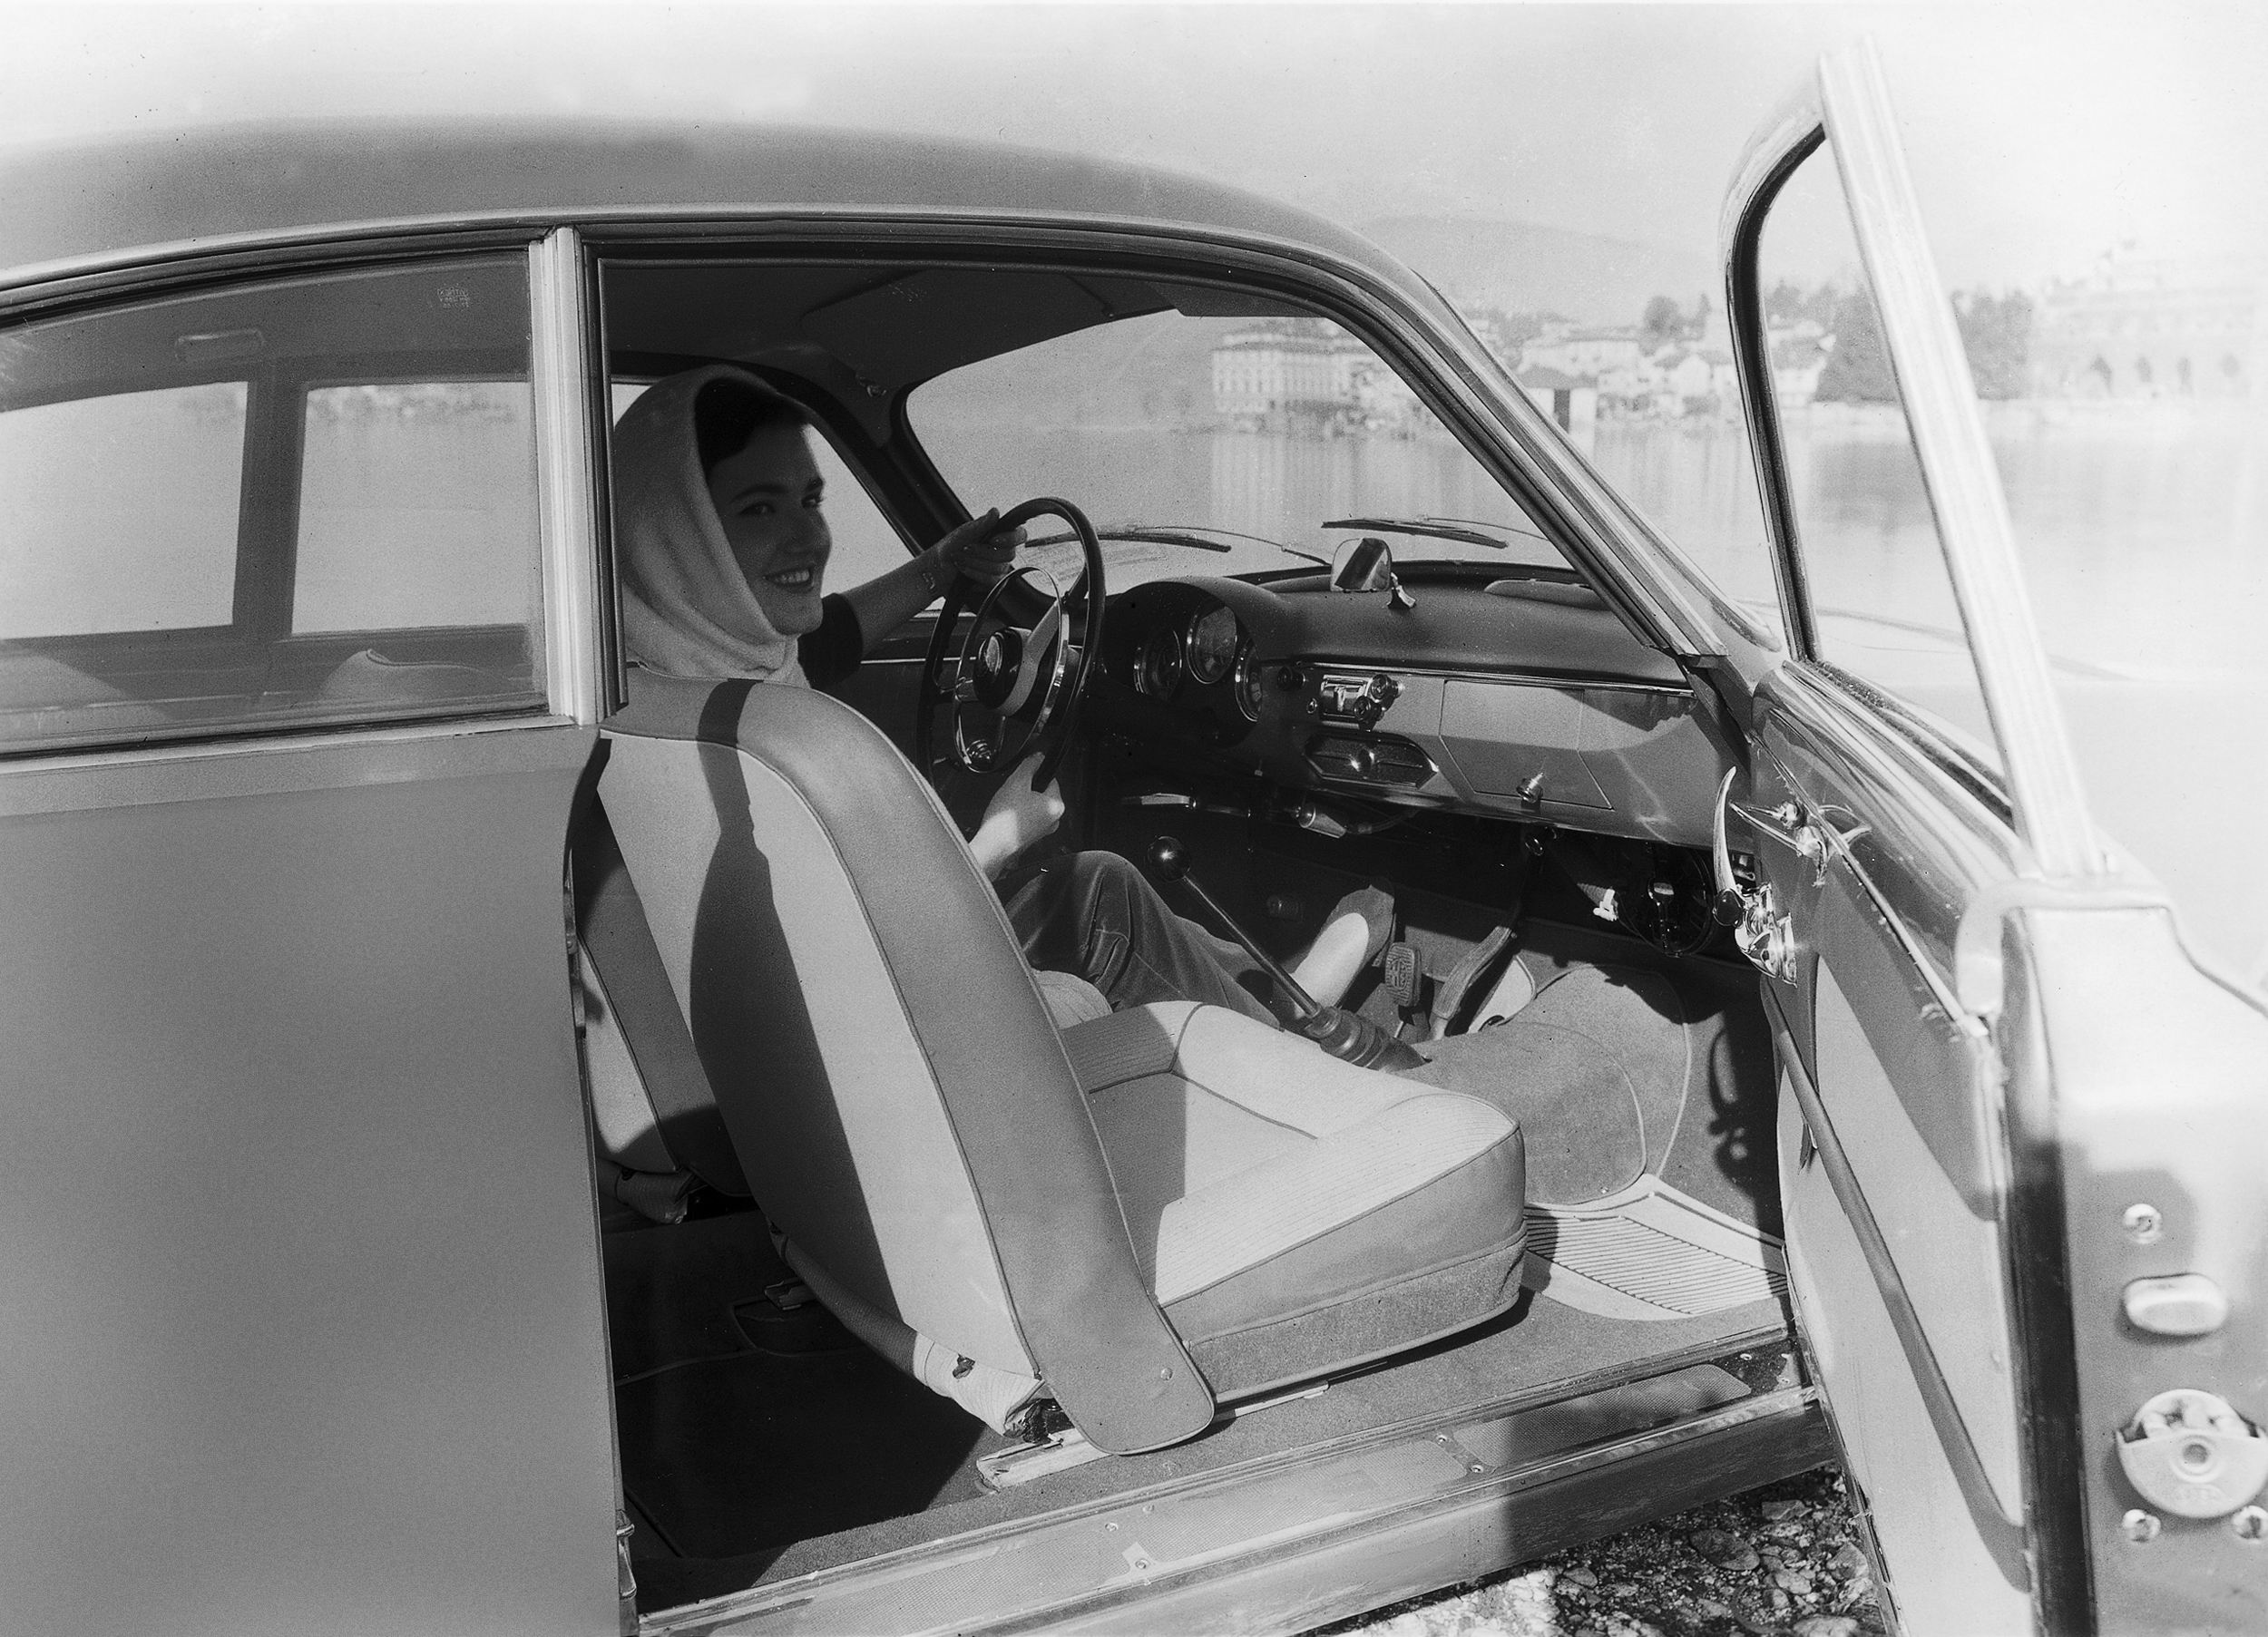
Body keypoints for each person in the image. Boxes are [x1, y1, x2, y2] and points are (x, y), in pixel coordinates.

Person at [611, 364, 1389, 1025]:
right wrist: (1002, 834)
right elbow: (841, 959)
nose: (810, 540)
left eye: (810, 500)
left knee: (1102, 883)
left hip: (850, 997)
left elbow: (830, 635)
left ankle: (1274, 997)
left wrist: (941, 566)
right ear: (678, 530)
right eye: (758, 509)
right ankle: (1296, 1036)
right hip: (861, 1026)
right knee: (1098, 942)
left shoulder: (682, 672)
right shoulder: (754, 740)